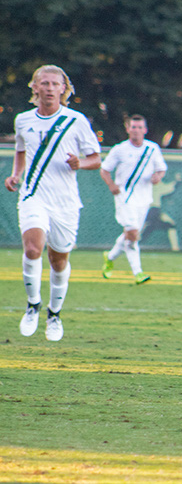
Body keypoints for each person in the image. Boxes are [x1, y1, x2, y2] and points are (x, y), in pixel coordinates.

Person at [4, 65, 101, 341]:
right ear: (34, 87)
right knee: (33, 248)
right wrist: (16, 175)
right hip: (33, 196)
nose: (48, 88)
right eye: (43, 83)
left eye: (54, 84)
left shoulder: (76, 120)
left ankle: (54, 312)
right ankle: (33, 304)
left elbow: (96, 159)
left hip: (66, 203)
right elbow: (21, 150)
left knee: (58, 260)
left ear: (63, 88)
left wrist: (80, 163)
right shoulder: (23, 120)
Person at [100, 115, 168, 284]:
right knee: (132, 233)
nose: (136, 130)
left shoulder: (152, 148)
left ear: (145, 130)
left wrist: (157, 177)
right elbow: (104, 169)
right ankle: (138, 272)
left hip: (144, 199)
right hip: (124, 197)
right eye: (133, 127)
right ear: (128, 129)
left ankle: (110, 257)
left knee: (131, 234)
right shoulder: (119, 149)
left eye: (140, 127)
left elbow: (161, 169)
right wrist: (111, 185)